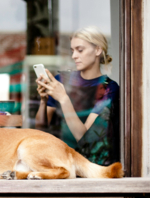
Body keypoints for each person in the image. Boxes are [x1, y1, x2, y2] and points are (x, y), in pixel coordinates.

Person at [35, 26, 120, 166]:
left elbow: (84, 138)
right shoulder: (61, 80)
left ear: (98, 50)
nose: (74, 56)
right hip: (60, 161)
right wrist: (44, 101)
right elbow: (40, 127)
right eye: (72, 51)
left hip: (92, 165)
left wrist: (63, 99)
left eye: (80, 50)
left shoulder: (108, 88)